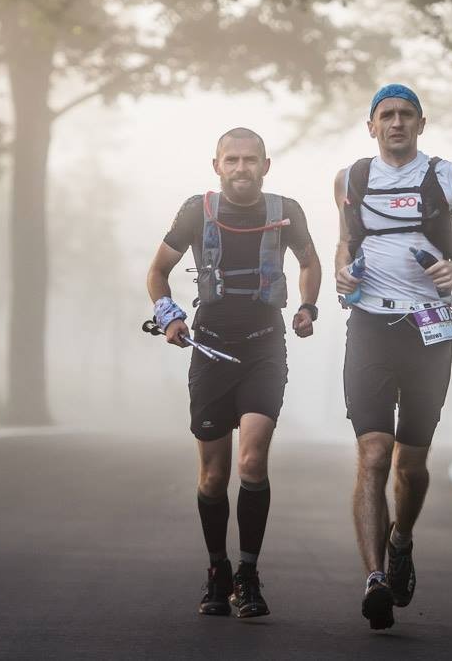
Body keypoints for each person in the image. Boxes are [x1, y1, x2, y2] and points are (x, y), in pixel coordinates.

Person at [333, 85, 452, 629]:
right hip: (370, 326)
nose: (397, 123)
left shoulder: (449, 176)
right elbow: (345, 241)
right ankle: (375, 578)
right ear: (372, 125)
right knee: (374, 454)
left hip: (429, 328)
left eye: (406, 115)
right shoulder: (353, 178)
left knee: (411, 464)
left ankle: (401, 538)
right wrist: (341, 270)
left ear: (421, 124)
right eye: (387, 116)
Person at [146, 127, 321, 618]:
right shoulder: (194, 211)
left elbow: (310, 263)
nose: (241, 168)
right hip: (209, 350)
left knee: (251, 463)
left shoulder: (286, 210)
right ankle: (217, 569)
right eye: (232, 160)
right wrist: (170, 316)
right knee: (212, 475)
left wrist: (308, 307)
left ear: (266, 166)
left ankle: (247, 574)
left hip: (265, 349)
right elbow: (156, 271)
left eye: (250, 160)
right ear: (217, 165)